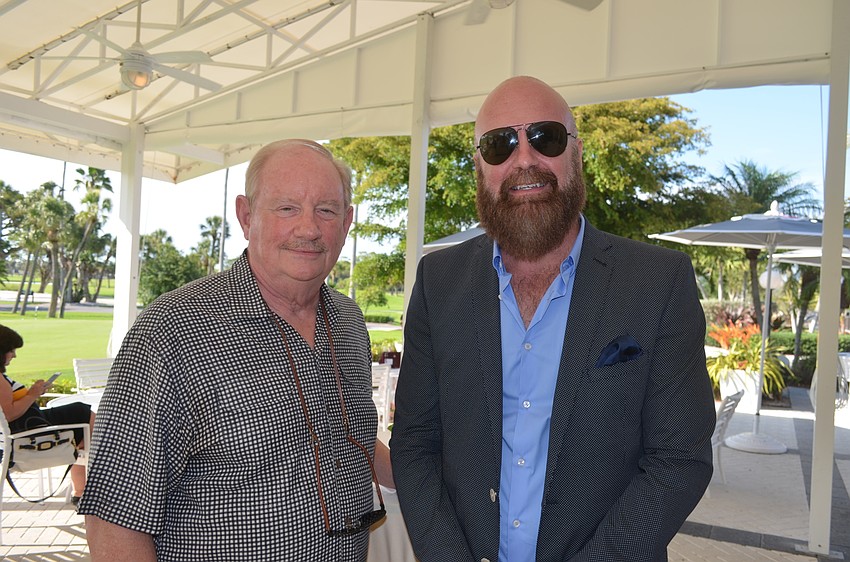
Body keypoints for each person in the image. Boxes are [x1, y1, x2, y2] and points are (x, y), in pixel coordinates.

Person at [390, 76, 716, 562]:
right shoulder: (438, 281)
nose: (524, 159)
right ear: (481, 167)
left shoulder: (657, 281)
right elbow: (415, 444)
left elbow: (678, 460)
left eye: (546, 137)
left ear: (575, 153)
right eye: (500, 144)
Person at [80, 139, 393, 562]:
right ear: (246, 216)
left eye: (326, 209)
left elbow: (347, 437)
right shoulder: (172, 332)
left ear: (347, 221)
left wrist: (443, 482)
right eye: (286, 208)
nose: (308, 228)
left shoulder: (349, 322)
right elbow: (115, 517)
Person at [0, 324, 95, 505]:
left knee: (81, 413)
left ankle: (81, 490)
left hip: (26, 426)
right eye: (11, 350)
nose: (14, 355)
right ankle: (85, 490)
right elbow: (9, 414)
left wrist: (32, 393)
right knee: (85, 416)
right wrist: (32, 394)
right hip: (26, 436)